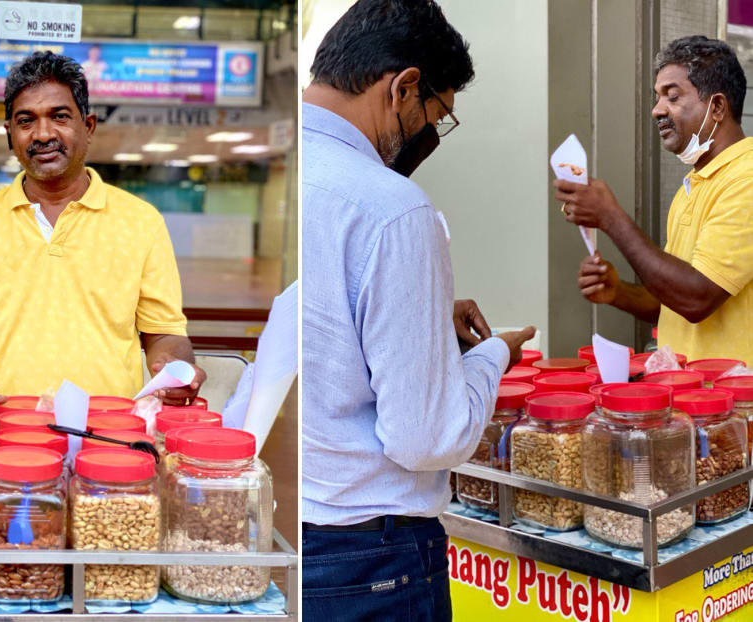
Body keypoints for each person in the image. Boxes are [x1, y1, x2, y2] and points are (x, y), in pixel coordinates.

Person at [301, 1, 534, 620]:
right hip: (373, 557)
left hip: (289, 532)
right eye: (436, 114)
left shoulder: (279, 166)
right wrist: (493, 357)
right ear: (403, 87)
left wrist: (424, 321)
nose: (431, 135)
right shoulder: (393, 207)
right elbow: (424, 437)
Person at [0, 51, 203, 416]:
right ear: (10, 134)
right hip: (2, 437)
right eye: (26, 121)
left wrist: (173, 369)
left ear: (87, 126)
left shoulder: (141, 222)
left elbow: (164, 333)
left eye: (59, 117)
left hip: (110, 436)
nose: (43, 134)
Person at [556, 36, 753, 363]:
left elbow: (697, 298)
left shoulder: (746, 178)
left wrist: (610, 217)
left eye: (672, 97)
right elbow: (674, 298)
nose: (657, 110)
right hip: (689, 402)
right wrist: (619, 292)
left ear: (717, 107)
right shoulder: (693, 185)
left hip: (733, 406)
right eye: (658, 97)